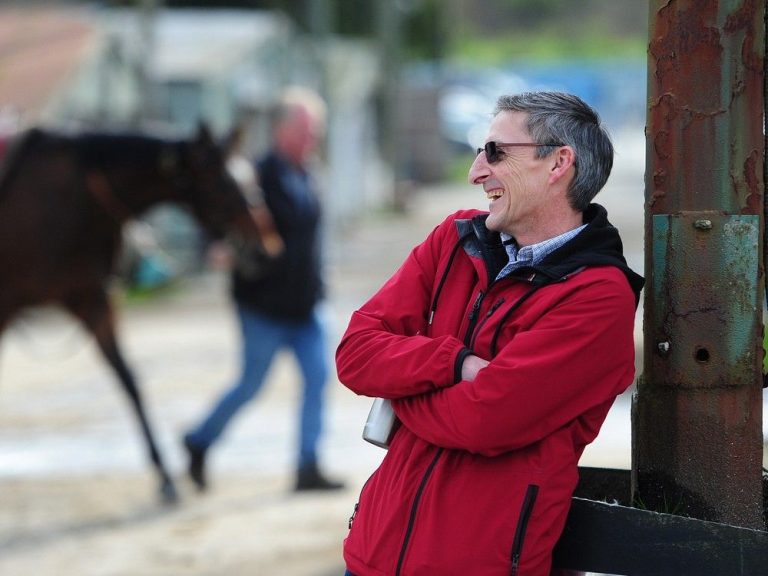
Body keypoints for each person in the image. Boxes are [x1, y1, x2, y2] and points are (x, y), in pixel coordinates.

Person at [336, 92, 644, 575]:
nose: (476, 171)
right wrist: (453, 364)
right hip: (372, 553)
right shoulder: (455, 238)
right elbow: (354, 355)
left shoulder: (599, 297)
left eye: (496, 151)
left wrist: (401, 391)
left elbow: (485, 422)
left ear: (559, 162)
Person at [183, 87, 344, 493]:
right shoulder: (254, 176)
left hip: (306, 305)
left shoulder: (310, 174)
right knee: (251, 385)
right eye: (307, 131)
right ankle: (199, 440)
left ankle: (308, 465)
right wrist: (215, 249)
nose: (313, 139)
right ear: (282, 129)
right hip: (263, 307)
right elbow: (218, 222)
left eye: (316, 131)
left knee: (318, 377)